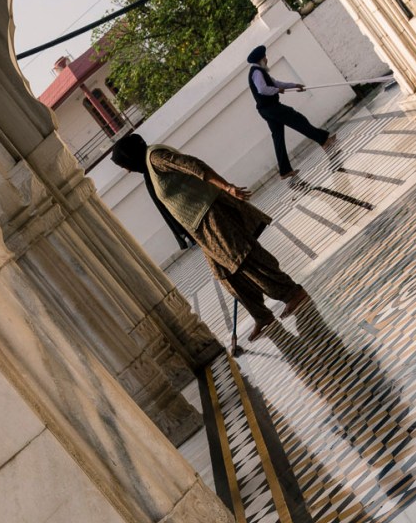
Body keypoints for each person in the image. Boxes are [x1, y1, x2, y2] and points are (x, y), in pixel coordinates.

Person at [110, 133, 307, 342]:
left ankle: (291, 293)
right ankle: (261, 315)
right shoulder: (149, 168)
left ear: (130, 156)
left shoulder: (156, 157)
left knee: (244, 258)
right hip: (199, 226)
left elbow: (194, 166)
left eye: (125, 164)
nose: (127, 170)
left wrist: (227, 187)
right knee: (225, 274)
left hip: (211, 214)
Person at [247, 45, 338, 180]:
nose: (267, 59)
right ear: (261, 59)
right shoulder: (256, 72)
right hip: (271, 108)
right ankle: (323, 140)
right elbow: (262, 89)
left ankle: (285, 171)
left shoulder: (260, 71)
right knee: (298, 119)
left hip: (267, 109)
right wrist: (277, 91)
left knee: (278, 138)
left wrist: (294, 86)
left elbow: (276, 83)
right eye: (265, 57)